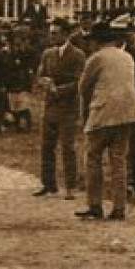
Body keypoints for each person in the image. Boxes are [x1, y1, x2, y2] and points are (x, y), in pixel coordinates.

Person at [75, 17, 135, 221]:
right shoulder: (127, 57)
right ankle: (119, 207)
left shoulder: (96, 58)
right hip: (129, 112)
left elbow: (82, 87)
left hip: (104, 110)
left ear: (96, 41)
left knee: (93, 157)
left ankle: (95, 205)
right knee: (119, 160)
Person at [33, 19, 86, 199]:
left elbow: (79, 82)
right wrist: (43, 82)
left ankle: (70, 186)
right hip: (50, 107)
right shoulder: (48, 54)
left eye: (55, 32)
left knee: (67, 147)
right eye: (51, 32)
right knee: (47, 146)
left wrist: (59, 90)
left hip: (68, 107)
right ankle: (48, 184)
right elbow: (40, 75)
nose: (52, 36)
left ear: (65, 34)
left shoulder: (78, 55)